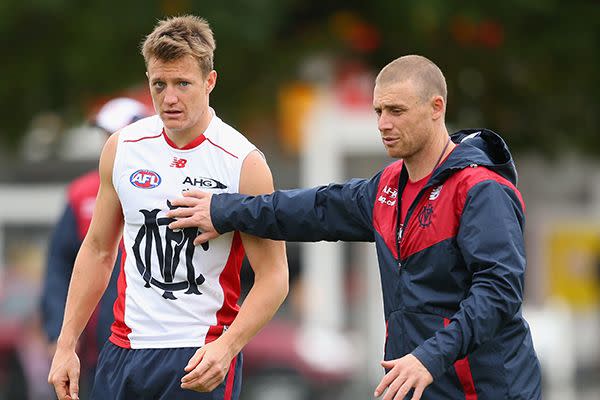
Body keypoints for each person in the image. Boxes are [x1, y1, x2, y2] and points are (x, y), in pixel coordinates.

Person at [167, 55, 543, 399]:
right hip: (417, 386)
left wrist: (430, 356)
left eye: (396, 111)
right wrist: (224, 210)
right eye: (378, 110)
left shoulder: (480, 190)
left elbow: (499, 292)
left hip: (487, 390)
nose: (383, 124)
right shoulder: (388, 187)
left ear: (436, 108)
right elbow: (311, 209)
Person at [47, 15, 288, 400]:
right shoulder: (122, 148)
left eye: (183, 84)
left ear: (209, 82)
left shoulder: (244, 163)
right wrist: (65, 345)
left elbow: (274, 277)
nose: (170, 97)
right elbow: (97, 250)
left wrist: (228, 347)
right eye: (159, 84)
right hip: (123, 350)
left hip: (199, 355)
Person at [41, 97, 150, 396]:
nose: (107, 143)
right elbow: (58, 267)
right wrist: (58, 333)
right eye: (105, 135)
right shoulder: (82, 194)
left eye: (113, 134)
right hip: (92, 351)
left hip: (150, 346)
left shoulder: (167, 187)